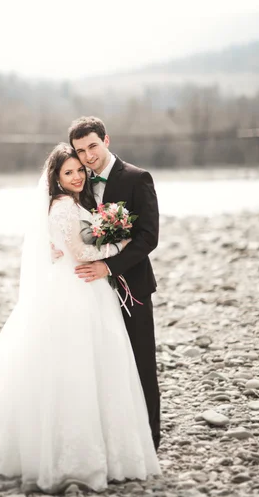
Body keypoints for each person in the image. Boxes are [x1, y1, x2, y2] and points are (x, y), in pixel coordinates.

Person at [0, 143, 160, 493]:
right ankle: (75, 455)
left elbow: (65, 245)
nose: (76, 176)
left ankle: (111, 447)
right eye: (68, 172)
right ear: (55, 178)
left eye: (79, 170)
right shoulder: (63, 206)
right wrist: (119, 242)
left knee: (101, 365)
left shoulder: (77, 203)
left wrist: (102, 239)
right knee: (79, 367)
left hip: (86, 287)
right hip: (77, 290)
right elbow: (82, 251)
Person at [67, 116, 161, 451]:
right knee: (103, 363)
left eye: (92, 146)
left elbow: (148, 237)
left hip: (132, 287)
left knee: (140, 363)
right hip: (92, 293)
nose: (88, 156)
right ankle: (111, 439)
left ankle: (150, 440)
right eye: (80, 151)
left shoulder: (137, 178)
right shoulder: (77, 184)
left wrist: (109, 267)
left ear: (106, 140)